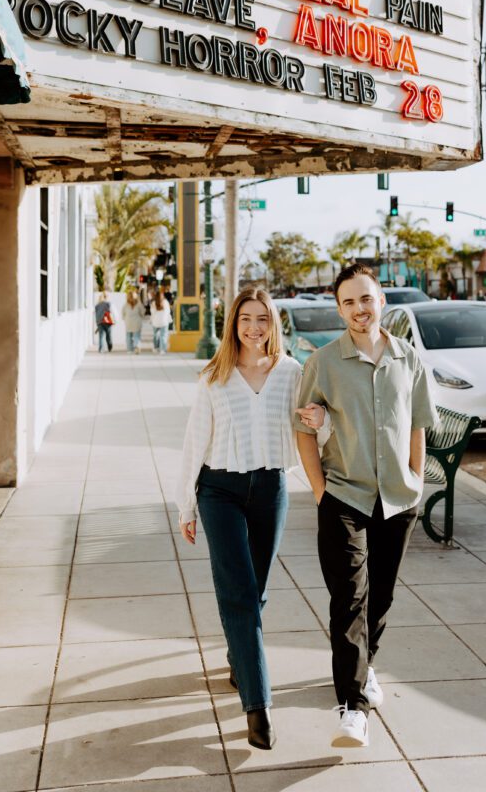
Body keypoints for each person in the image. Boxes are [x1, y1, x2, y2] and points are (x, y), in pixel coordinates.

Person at [175, 286, 327, 751]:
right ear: (233, 323)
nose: (254, 327)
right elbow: (193, 444)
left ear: (273, 324)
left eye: (263, 318)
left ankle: (239, 657)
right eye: (246, 318)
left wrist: (321, 418)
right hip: (218, 491)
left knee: (256, 589)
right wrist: (186, 505)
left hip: (270, 489)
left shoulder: (292, 373)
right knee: (238, 590)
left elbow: (318, 424)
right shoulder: (214, 376)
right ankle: (258, 708)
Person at [294, 263, 438, 748]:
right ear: (339, 309)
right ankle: (351, 708)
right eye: (349, 302)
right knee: (348, 601)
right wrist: (319, 490)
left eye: (366, 298)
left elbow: (418, 423)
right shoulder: (324, 362)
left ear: (382, 302)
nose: (359, 309)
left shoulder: (409, 359)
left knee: (381, 598)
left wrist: (415, 479)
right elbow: (304, 427)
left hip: (398, 499)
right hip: (344, 496)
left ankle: (366, 664)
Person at [122, 289, 144, 353]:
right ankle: (137, 346)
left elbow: (123, 314)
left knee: (128, 336)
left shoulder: (125, 305)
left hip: (128, 322)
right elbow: (142, 312)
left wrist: (125, 319)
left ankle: (129, 350)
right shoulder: (138, 304)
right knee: (137, 336)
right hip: (137, 322)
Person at [150, 289, 172, 354]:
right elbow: (168, 311)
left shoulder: (153, 303)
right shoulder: (165, 302)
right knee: (163, 335)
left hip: (155, 322)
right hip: (164, 321)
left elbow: (152, 312)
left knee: (155, 335)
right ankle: (163, 349)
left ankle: (156, 348)